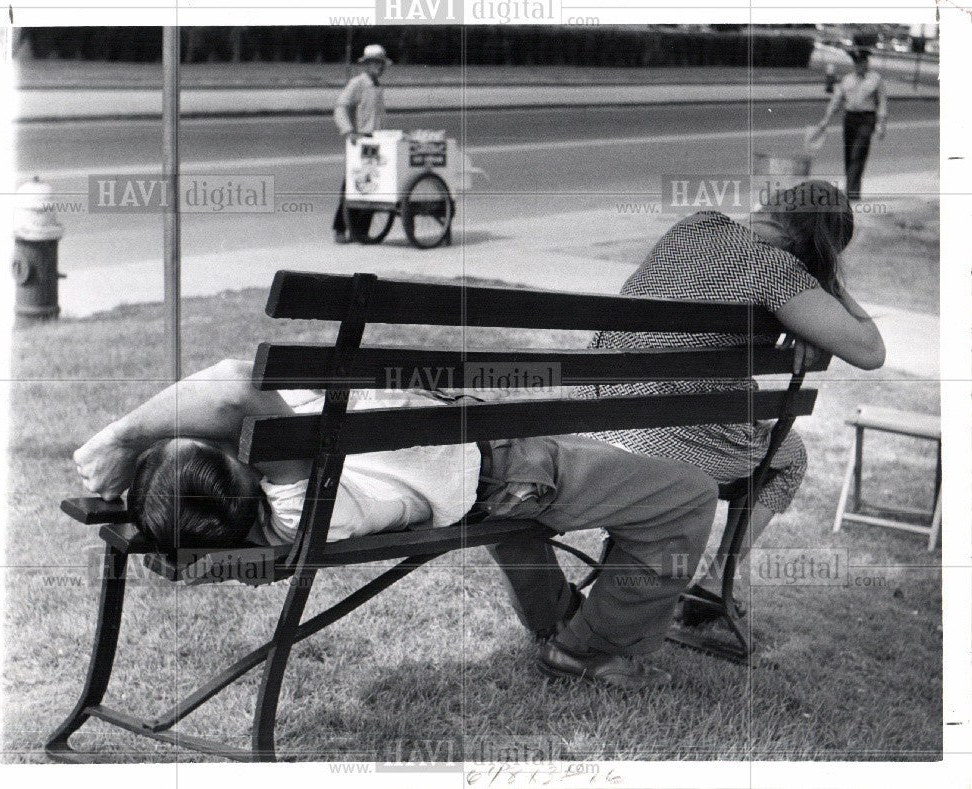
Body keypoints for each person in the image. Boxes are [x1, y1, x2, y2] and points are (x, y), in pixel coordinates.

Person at [73, 359, 719, 692]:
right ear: (234, 461)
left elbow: (222, 437)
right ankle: (587, 647)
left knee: (523, 513)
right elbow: (233, 388)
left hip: (482, 466)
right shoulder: (295, 495)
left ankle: (558, 622)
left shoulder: (271, 515)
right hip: (503, 469)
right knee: (686, 496)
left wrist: (167, 528)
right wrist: (127, 437)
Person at [575, 180, 885, 622]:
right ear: (814, 244)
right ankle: (714, 581)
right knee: (790, 457)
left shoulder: (693, 225)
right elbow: (872, 351)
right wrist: (824, 280)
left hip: (594, 414)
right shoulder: (780, 273)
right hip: (670, 442)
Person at [332, 44, 391, 243]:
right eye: (375, 63)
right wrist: (349, 131)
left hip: (377, 140)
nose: (379, 67)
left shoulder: (377, 85)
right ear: (366, 65)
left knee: (373, 183)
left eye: (381, 63)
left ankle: (360, 231)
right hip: (361, 140)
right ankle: (340, 228)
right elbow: (341, 107)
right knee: (352, 184)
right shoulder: (358, 83)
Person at [817, 48, 887, 201]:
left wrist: (881, 124)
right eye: (857, 63)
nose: (861, 65)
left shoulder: (875, 79)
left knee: (858, 155)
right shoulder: (847, 80)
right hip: (850, 119)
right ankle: (852, 190)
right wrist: (825, 120)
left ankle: (851, 193)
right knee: (849, 156)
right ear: (855, 64)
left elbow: (881, 102)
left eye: (863, 62)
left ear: (867, 62)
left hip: (867, 119)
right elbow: (836, 101)